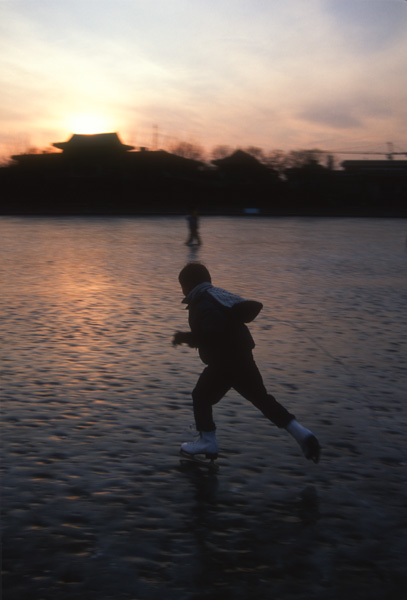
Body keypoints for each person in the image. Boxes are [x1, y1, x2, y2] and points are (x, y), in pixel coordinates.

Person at [172, 262, 321, 463]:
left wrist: (185, 337)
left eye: (182, 286)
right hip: (242, 357)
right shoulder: (217, 296)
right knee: (261, 399)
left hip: (224, 361)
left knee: (201, 396)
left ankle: (207, 440)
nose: (182, 290)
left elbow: (211, 333)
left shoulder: (202, 301)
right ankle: (302, 434)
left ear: (188, 285)